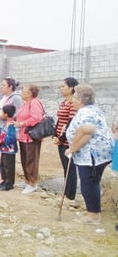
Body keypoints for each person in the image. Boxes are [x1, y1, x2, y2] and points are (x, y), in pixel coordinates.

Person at [65, 84, 115, 225]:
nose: (72, 100)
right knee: (91, 182)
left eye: (74, 96)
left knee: (89, 183)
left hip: (92, 155)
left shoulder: (85, 112)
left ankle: (93, 217)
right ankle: (92, 211)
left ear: (80, 99)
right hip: (96, 153)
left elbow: (87, 130)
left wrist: (72, 148)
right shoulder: (91, 110)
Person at [52, 77, 79, 207]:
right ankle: (66, 191)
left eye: (63, 86)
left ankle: (71, 195)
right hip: (60, 139)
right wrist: (55, 135)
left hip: (68, 141)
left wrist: (61, 138)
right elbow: (60, 120)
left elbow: (71, 122)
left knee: (70, 168)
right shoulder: (64, 102)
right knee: (65, 167)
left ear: (71, 88)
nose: (61, 88)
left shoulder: (74, 102)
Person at [13, 84, 45, 194]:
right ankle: (27, 180)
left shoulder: (35, 102)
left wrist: (22, 123)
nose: (21, 93)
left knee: (31, 160)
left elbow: (36, 118)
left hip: (31, 136)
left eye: (23, 91)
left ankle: (32, 183)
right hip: (23, 135)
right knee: (25, 159)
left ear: (30, 93)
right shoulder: (26, 103)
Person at [0, 105, 18, 191]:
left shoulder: (11, 125)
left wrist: (2, 141)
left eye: (2, 112)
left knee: (9, 166)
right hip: (4, 149)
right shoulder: (6, 123)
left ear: (6, 114)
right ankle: (4, 181)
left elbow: (12, 137)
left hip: (10, 149)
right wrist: (0, 141)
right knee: (3, 165)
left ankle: (9, 184)